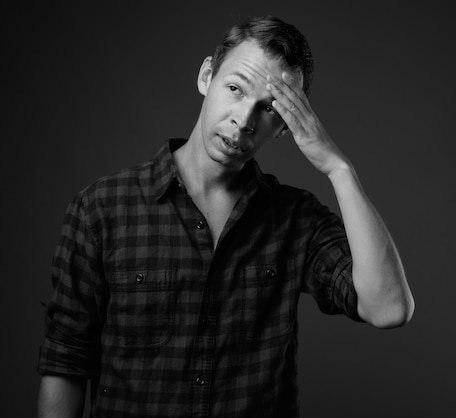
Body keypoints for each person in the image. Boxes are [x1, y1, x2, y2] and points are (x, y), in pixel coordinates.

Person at [37, 15, 414, 417]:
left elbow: (388, 309)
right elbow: (67, 363)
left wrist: (339, 169)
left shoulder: (296, 219)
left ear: (287, 125)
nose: (244, 120)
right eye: (234, 89)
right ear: (206, 77)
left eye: (270, 109)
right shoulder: (100, 209)